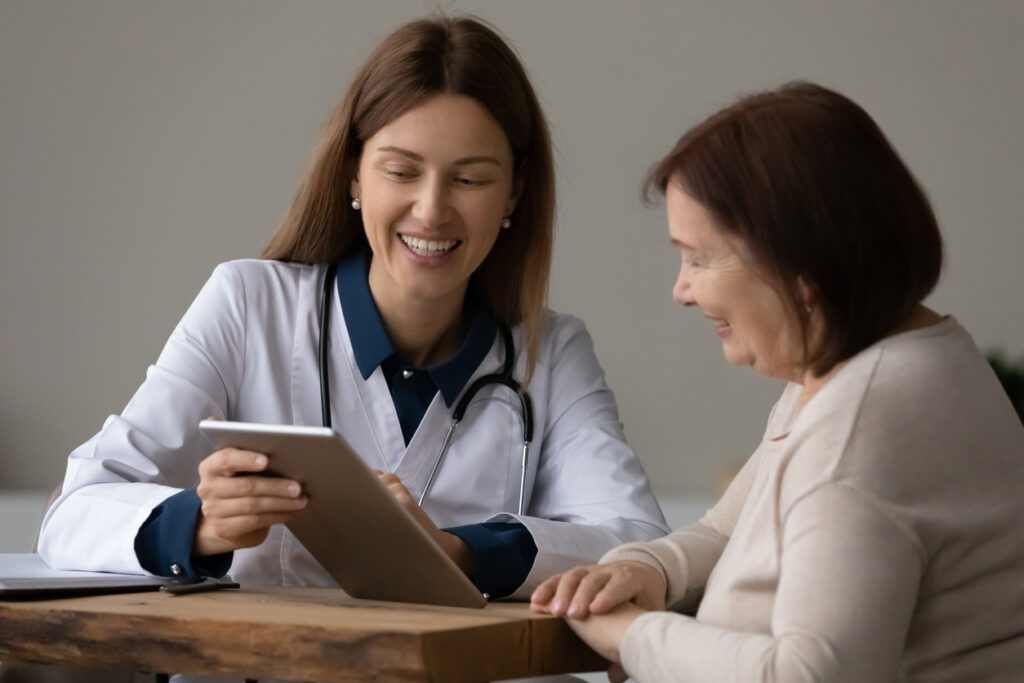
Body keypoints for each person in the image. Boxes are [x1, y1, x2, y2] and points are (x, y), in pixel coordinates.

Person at [37, 15, 667, 604]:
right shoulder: (248, 304)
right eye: (401, 171)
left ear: (515, 193)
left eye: (470, 179)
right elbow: (73, 512)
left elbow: (639, 545)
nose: (431, 210)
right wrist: (199, 523)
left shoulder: (549, 352)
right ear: (353, 176)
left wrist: (458, 552)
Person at [531, 82, 1024, 681]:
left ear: (800, 267)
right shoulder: (870, 363)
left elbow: (809, 675)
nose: (681, 291)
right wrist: (651, 568)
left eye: (698, 258)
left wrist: (632, 636)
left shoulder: (863, 427)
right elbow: (726, 530)